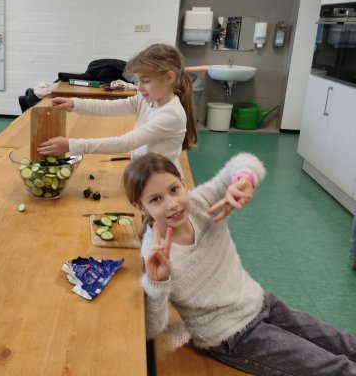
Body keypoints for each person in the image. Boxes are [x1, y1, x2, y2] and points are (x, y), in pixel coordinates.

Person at [123, 152, 356, 376]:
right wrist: (157, 283)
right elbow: (153, 328)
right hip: (232, 336)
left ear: (183, 183)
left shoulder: (198, 202)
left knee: (341, 341)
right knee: (333, 367)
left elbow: (246, 161)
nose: (172, 204)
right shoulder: (155, 253)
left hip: (261, 302)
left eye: (174, 189)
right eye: (156, 199)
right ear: (140, 207)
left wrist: (244, 180)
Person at [38, 44, 197, 176]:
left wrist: (71, 145)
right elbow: (109, 107)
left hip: (163, 183)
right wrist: (74, 103)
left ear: (169, 78)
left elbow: (125, 143)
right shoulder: (146, 99)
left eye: (146, 81)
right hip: (146, 173)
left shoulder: (171, 115)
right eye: (136, 80)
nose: (139, 87)